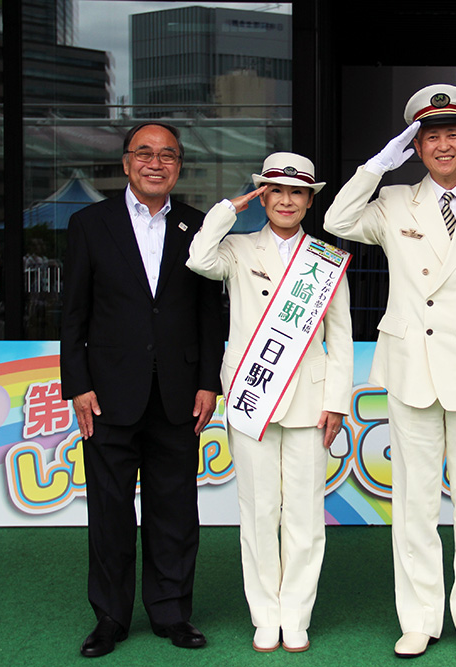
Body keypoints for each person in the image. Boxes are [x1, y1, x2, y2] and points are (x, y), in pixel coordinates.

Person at [324, 84, 456, 658]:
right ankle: (418, 617)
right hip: (412, 367)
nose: (442, 145)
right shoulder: (391, 203)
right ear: (416, 144)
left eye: (452, 134)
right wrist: (376, 166)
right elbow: (338, 218)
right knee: (413, 504)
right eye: (429, 136)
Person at [60, 122, 223, 658]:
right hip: (107, 394)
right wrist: (77, 386)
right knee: (108, 511)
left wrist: (208, 382)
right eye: (145, 154)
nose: (157, 163)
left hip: (179, 393)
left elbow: (207, 314)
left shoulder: (198, 228)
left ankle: (173, 613)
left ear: (179, 166)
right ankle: (109, 617)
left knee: (173, 510)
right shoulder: (89, 224)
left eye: (168, 155)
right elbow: (74, 314)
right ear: (127, 163)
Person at [186, 152, 353, 653]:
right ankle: (265, 614)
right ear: (263, 196)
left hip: (309, 403)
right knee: (258, 513)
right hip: (251, 397)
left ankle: (296, 614)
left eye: (297, 192)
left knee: (303, 514)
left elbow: (341, 338)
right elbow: (197, 257)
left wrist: (336, 402)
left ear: (309, 201)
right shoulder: (235, 248)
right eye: (275, 191)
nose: (286, 200)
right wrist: (229, 209)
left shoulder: (327, 260)